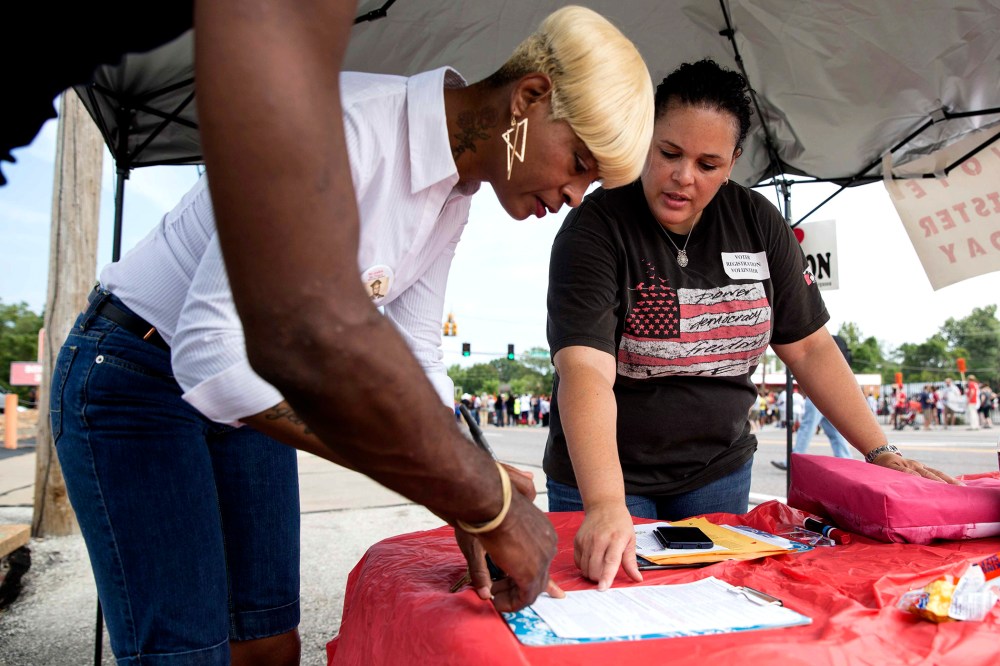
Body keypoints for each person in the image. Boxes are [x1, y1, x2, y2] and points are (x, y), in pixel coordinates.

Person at [43, 6, 655, 663]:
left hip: (252, 391)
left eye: (591, 183)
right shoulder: (346, 124)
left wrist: (474, 481)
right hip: (138, 371)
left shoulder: (455, 190)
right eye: (579, 161)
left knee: (270, 642)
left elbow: (419, 360)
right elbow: (212, 357)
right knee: (188, 653)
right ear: (529, 98)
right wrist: (466, 487)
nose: (573, 194)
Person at [542, 58, 956, 591]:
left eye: (708, 163)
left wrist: (882, 453)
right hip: (605, 475)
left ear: (734, 161)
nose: (683, 176)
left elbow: (809, 348)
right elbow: (586, 371)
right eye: (668, 153)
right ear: (644, 135)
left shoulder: (759, 222)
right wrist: (604, 502)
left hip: (717, 473)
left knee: (712, 611)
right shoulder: (597, 226)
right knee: (609, 605)